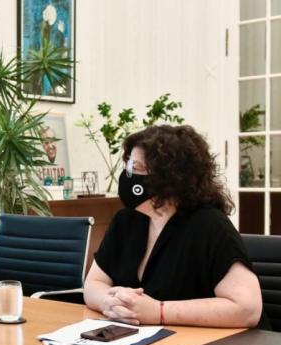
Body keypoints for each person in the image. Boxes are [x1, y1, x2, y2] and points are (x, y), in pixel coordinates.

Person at [84, 125, 265, 328]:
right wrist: (109, 302)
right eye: (129, 168)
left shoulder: (210, 225)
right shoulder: (125, 221)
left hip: (213, 344)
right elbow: (93, 284)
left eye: (138, 169)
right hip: (141, 340)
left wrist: (159, 311)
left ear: (170, 177)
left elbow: (247, 308)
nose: (129, 176)